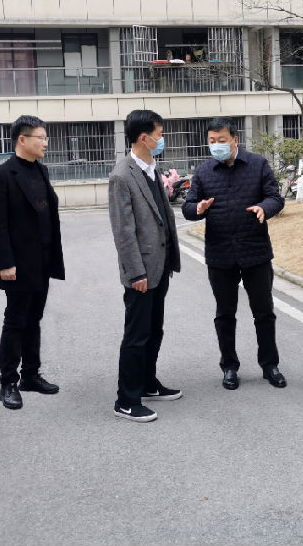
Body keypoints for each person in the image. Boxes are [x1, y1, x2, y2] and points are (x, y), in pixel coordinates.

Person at [182, 117, 286, 391]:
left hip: (255, 251)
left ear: (235, 140)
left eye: (222, 140)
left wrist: (265, 208)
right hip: (220, 254)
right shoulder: (203, 172)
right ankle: (229, 366)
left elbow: (275, 197)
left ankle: (270, 365)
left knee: (264, 312)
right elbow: (188, 207)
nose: (216, 145)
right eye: (212, 141)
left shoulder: (257, 164)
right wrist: (198, 209)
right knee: (225, 314)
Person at [108, 109, 182, 423]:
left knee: (154, 330)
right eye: (159, 134)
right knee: (136, 335)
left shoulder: (152, 168)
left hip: (160, 266)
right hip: (141, 272)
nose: (161, 140)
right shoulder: (122, 176)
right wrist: (135, 272)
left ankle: (148, 383)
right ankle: (126, 399)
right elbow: (123, 231)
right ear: (143, 137)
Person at [0, 115, 65, 410]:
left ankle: (30, 375)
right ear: (22, 139)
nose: (45, 143)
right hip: (17, 264)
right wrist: (5, 262)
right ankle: (8, 382)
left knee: (34, 319)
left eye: (45, 138)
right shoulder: (3, 175)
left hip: (42, 260)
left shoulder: (41, 171)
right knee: (16, 321)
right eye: (40, 138)